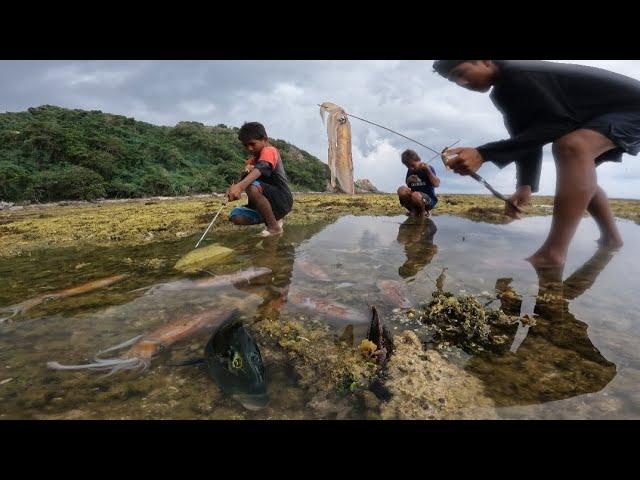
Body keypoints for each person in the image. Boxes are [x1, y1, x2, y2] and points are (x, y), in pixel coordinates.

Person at [432, 60, 640, 267]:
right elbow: (527, 137)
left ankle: (552, 254)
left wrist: (483, 154)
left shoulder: (519, 74)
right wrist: (525, 186)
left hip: (633, 108)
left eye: (461, 73)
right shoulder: (502, 93)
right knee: (577, 172)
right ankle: (611, 239)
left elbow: (559, 125)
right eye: (454, 80)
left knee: (571, 146)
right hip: (600, 116)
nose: (462, 82)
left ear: (485, 61)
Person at [226, 122, 293, 236]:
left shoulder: (269, 150)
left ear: (264, 139)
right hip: (267, 206)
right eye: (246, 145)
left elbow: (262, 168)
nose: (249, 148)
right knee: (235, 216)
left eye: (252, 144)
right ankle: (272, 218)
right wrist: (233, 189)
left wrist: (240, 187)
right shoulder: (251, 161)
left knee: (252, 186)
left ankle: (274, 228)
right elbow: (243, 179)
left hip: (282, 201)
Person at [397, 149, 440, 218]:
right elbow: (408, 185)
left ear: (418, 160)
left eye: (413, 165)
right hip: (414, 200)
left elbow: (436, 184)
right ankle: (413, 210)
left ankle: (424, 212)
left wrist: (427, 170)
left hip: (428, 201)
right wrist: (409, 180)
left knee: (416, 195)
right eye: (408, 167)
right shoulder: (410, 170)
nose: (411, 168)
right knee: (401, 190)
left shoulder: (428, 168)